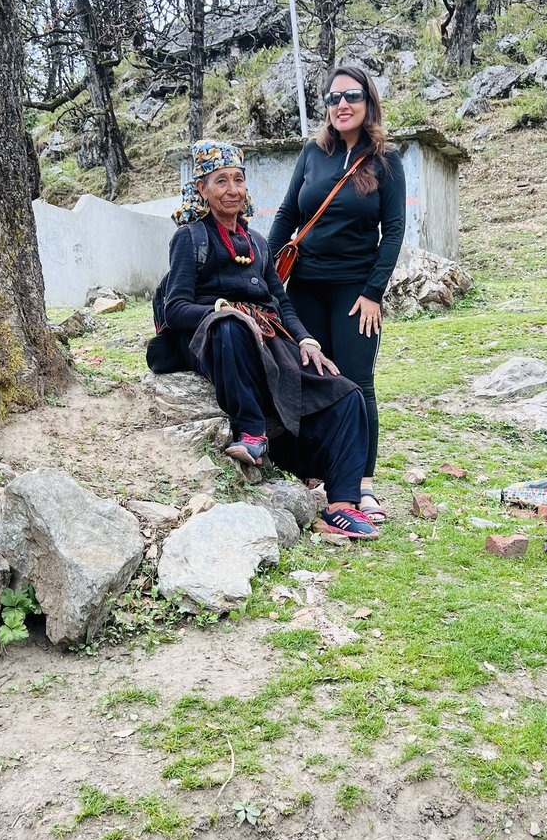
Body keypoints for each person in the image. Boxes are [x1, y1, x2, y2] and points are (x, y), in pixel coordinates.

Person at [150, 138, 379, 540]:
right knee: (232, 327)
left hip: (268, 339)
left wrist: (307, 341)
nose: (233, 189)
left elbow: (281, 301)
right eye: (221, 181)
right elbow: (175, 308)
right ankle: (251, 433)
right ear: (201, 189)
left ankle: (341, 505)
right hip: (215, 338)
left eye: (238, 179)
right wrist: (225, 311)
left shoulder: (257, 242)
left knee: (347, 393)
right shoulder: (189, 239)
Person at [267, 66, 405, 525]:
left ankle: (361, 486)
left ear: (368, 102)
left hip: (354, 293)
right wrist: (264, 275)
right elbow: (288, 213)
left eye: (352, 96)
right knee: (310, 377)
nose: (341, 105)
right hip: (304, 286)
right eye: (332, 98)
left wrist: (373, 292)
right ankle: (315, 471)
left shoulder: (387, 161)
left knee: (357, 383)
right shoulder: (312, 154)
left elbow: (394, 231)